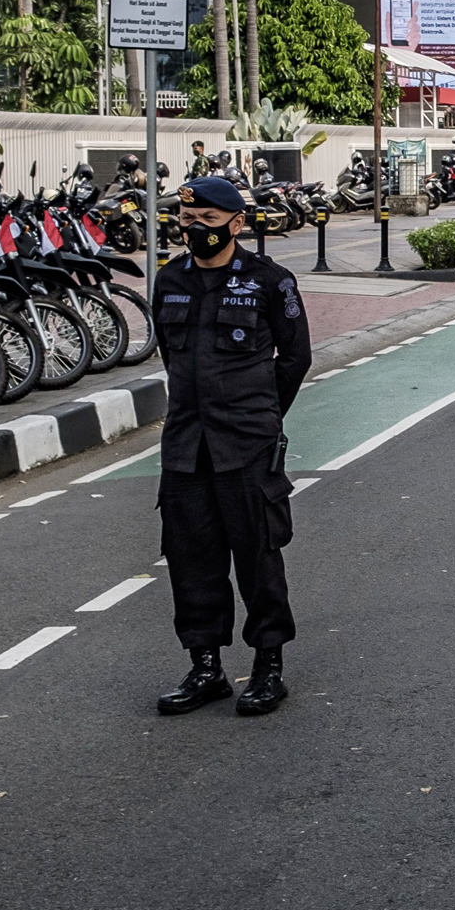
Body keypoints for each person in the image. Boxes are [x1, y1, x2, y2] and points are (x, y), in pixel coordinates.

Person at [151, 176, 312, 717]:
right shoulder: (169, 279)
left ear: (237, 224)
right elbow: (172, 360)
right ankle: (206, 668)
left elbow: (294, 360)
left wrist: (261, 417)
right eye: (187, 221)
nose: (194, 230)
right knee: (190, 559)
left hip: (246, 445)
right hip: (186, 445)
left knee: (257, 556)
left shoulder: (271, 281)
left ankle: (268, 666)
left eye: (208, 223)